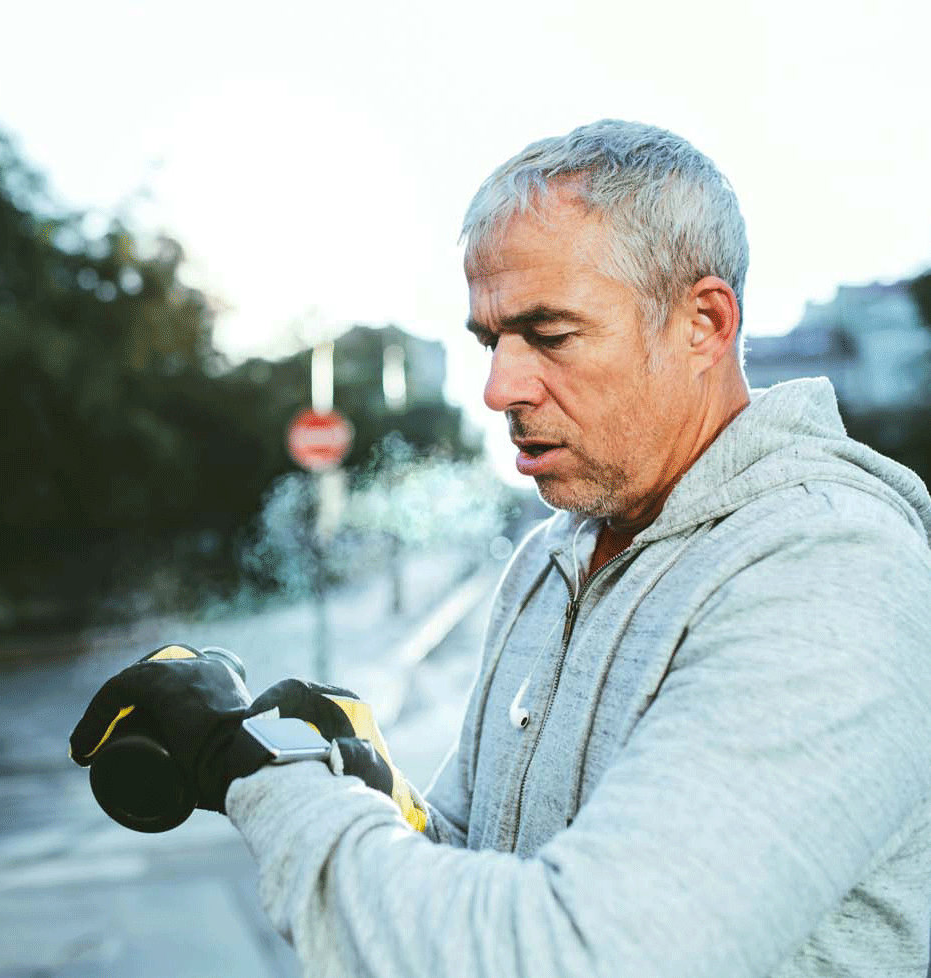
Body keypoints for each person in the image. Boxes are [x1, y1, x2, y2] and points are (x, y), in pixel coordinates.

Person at [71, 119, 931, 977]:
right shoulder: (549, 560)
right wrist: (374, 795)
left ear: (703, 323)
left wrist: (249, 769)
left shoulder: (832, 572)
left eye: (549, 335)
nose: (498, 388)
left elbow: (572, 955)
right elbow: (491, 870)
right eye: (490, 341)